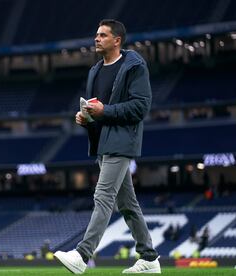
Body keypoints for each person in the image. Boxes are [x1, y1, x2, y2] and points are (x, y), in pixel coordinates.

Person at [54, 19, 160, 274]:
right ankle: (150, 258)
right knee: (127, 203)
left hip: (122, 141)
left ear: (117, 40)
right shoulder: (96, 71)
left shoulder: (134, 65)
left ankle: (82, 255)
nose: (96, 38)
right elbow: (99, 111)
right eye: (96, 34)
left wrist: (105, 110)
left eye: (102, 35)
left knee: (103, 197)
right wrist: (87, 118)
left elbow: (141, 106)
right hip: (102, 141)